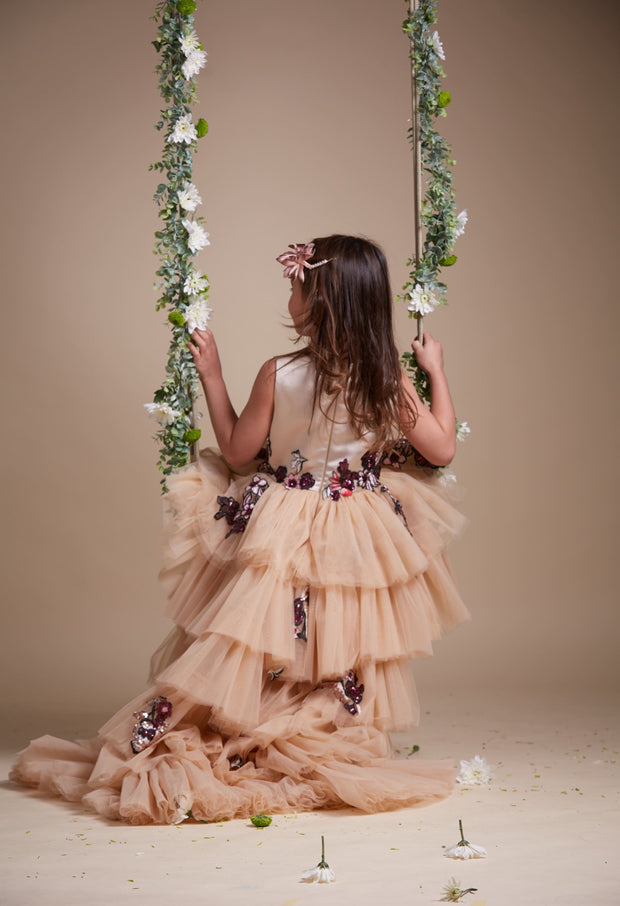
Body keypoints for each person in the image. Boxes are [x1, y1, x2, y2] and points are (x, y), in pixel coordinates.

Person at [11, 235, 469, 824]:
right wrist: (436, 373)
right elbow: (443, 448)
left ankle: (252, 721)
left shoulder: (278, 373)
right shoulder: (389, 379)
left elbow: (235, 451)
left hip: (283, 516)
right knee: (336, 631)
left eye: (296, 283)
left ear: (321, 300)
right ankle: (316, 722)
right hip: (357, 524)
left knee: (264, 631)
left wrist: (213, 376)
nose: (289, 291)